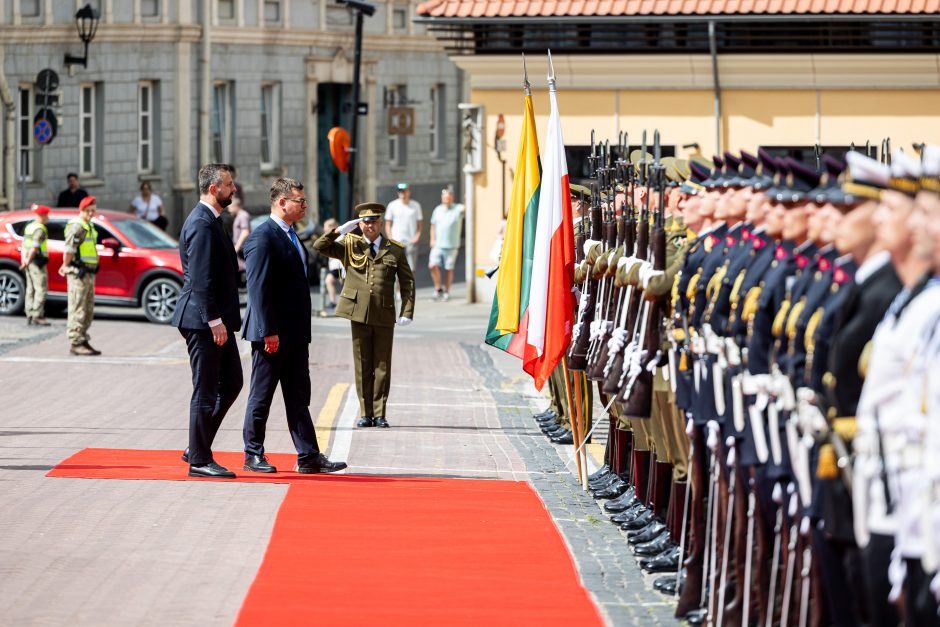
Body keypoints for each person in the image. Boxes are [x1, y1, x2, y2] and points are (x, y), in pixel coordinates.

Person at [240, 178, 347, 474]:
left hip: (295, 333)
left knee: (299, 396)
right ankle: (253, 453)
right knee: (261, 395)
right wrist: (268, 331)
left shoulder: (291, 234)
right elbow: (258, 289)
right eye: (300, 201)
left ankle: (308, 456)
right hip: (272, 334)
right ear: (282, 202)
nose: (304, 206)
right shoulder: (263, 237)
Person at [313, 203, 416, 429]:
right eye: (365, 222)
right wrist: (341, 230)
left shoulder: (395, 249)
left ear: (381, 223)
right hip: (357, 311)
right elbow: (319, 246)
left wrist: (406, 311)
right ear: (359, 224)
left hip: (384, 312)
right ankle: (365, 412)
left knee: (382, 365)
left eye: (373, 222)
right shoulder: (350, 245)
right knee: (362, 364)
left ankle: (379, 413)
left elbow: (407, 281)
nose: (369, 226)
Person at [172, 164, 243, 479]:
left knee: (231, 382)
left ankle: (195, 445)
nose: (234, 189)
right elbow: (200, 280)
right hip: (202, 321)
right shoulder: (201, 223)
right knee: (205, 389)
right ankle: (199, 459)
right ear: (214, 188)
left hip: (214, 320)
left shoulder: (212, 220)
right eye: (229, 184)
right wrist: (214, 320)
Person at [59, 196, 100, 356]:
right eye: (88, 210)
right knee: (78, 308)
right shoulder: (77, 226)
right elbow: (70, 249)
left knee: (88, 309)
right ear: (81, 210)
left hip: (88, 273)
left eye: (93, 210)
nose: (91, 213)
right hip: (78, 273)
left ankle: (83, 339)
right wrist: (66, 265)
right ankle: (76, 342)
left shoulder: (88, 225)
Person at [429, 187, 464, 301]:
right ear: (442, 198)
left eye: (448, 197)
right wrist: (432, 239)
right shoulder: (437, 210)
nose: (447, 199)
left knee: (449, 269)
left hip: (452, 245)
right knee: (432, 265)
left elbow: (466, 208)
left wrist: (467, 197)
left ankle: (447, 291)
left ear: (452, 198)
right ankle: (438, 288)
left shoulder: (457, 208)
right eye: (445, 197)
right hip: (438, 244)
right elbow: (433, 225)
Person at [19, 204, 51, 326]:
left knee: (30, 288)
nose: (48, 218)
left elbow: (24, 244)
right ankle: (37, 315)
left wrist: (24, 260)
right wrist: (28, 260)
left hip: (28, 261)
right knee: (41, 288)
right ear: (42, 216)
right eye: (46, 215)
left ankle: (29, 313)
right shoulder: (40, 229)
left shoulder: (29, 227)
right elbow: (35, 247)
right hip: (37, 262)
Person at [385, 182, 423, 271]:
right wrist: (390, 238)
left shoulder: (416, 205)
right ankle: (397, 286)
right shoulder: (392, 205)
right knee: (396, 270)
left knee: (411, 269)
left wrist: (417, 237)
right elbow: (388, 224)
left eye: (404, 191)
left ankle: (410, 285)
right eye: (400, 191)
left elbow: (420, 224)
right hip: (396, 241)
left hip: (411, 241)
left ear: (409, 192)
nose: (402, 193)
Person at [322, 218, 343, 309]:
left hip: (339, 265)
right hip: (335, 266)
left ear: (331, 227)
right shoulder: (333, 236)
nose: (324, 229)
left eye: (325, 227)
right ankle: (334, 302)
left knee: (329, 281)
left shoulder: (339, 236)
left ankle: (334, 302)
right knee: (343, 285)